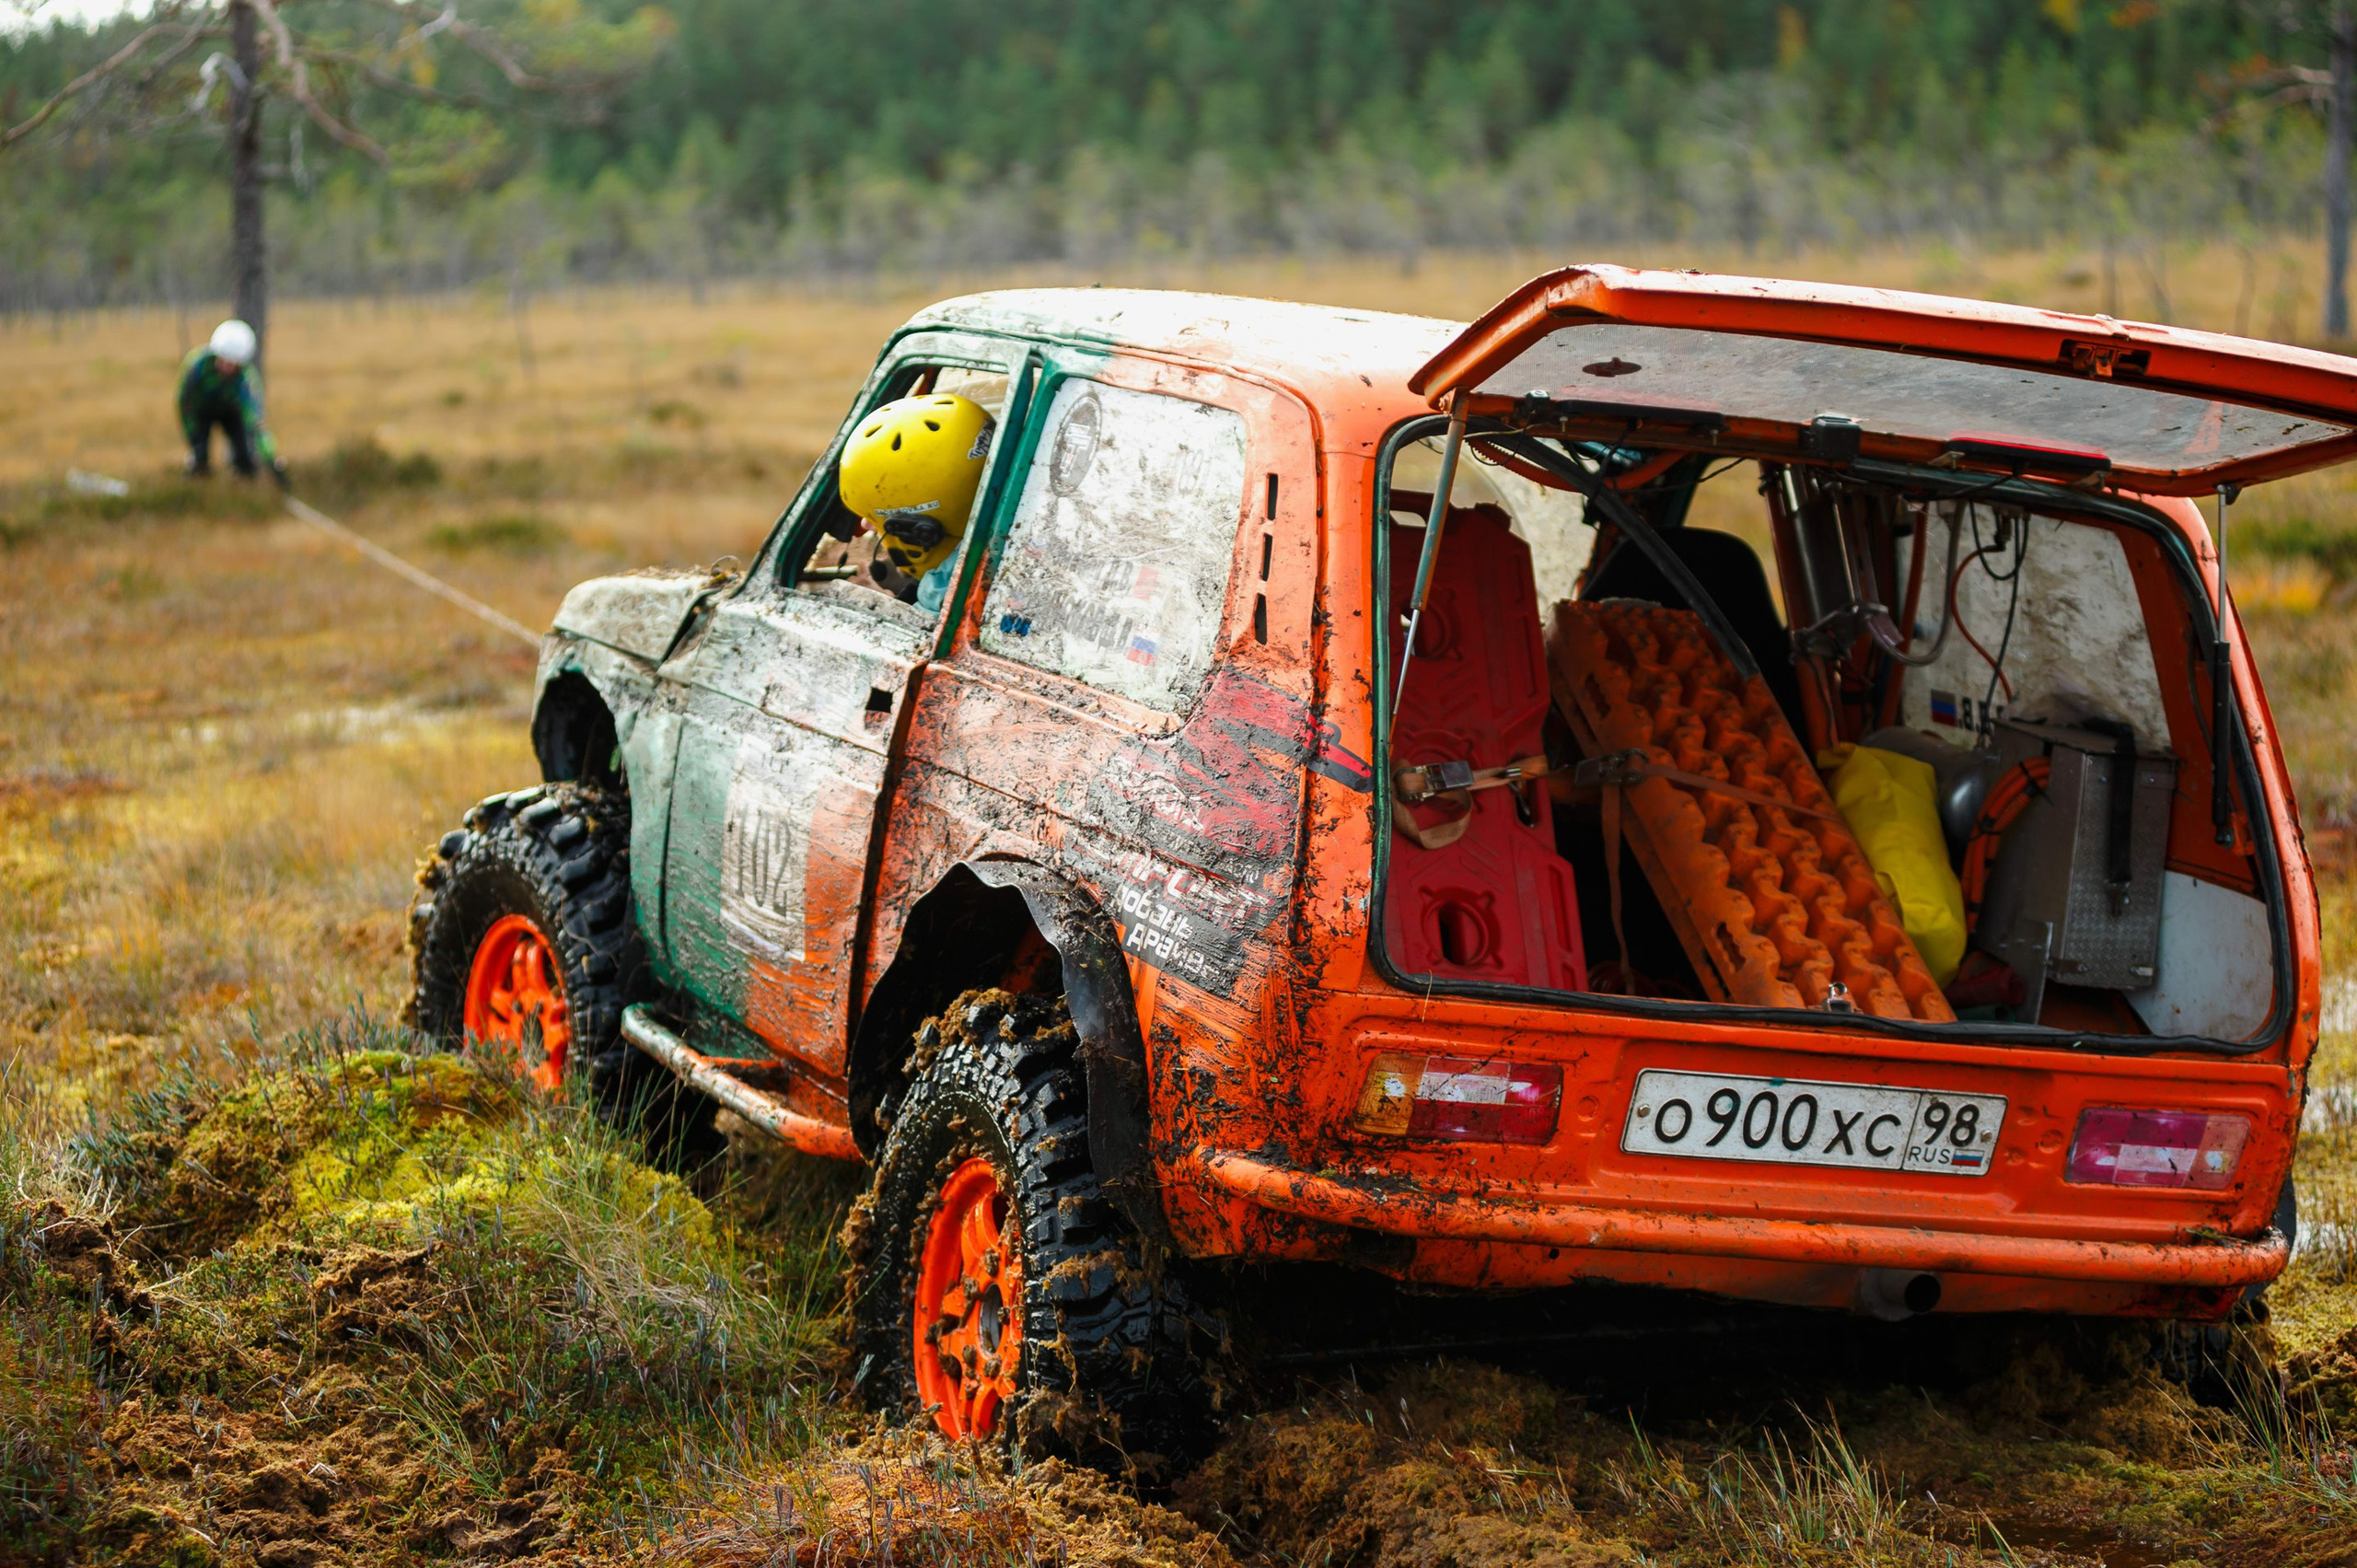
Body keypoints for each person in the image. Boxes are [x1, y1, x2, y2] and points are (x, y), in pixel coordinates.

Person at [834, 391, 993, 614]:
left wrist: (883, 606)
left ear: (920, 530)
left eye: (874, 517)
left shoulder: (942, 594)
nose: (865, 525)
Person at [179, 319, 286, 486]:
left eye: (233, 364)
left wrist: (272, 459)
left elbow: (256, 420)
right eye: (223, 361)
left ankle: (245, 488)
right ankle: (198, 490)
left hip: (231, 412)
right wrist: (193, 436)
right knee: (200, 457)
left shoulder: (246, 379)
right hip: (201, 412)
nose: (227, 368)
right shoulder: (197, 366)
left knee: (245, 458)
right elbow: (185, 404)